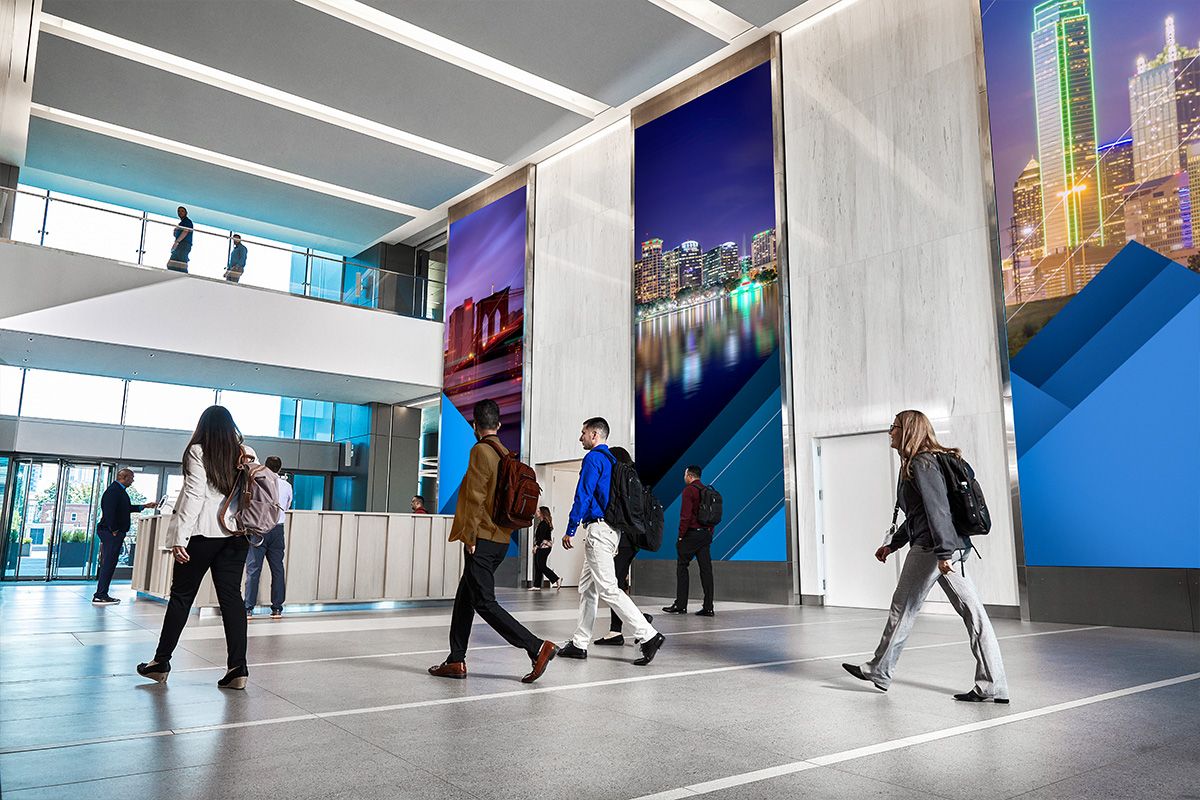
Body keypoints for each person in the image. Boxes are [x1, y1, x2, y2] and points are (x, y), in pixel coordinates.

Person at [842, 409, 1010, 703]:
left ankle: (879, 670)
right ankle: (992, 683)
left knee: (903, 606)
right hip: (946, 546)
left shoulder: (922, 463)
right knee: (973, 614)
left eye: (893, 427)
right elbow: (920, 514)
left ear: (907, 430)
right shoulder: (921, 462)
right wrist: (894, 544)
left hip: (934, 548)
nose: (890, 432)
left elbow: (938, 511)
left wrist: (943, 553)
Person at [427, 399, 558, 683]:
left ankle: (536, 647)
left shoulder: (480, 452)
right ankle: (455, 660)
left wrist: (470, 536)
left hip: (481, 539)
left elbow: (474, 496)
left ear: (475, 426)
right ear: (497, 425)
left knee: (484, 602)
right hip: (500, 539)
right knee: (466, 598)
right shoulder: (504, 454)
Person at [136, 406, 255, 690]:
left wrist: (180, 537)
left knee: (181, 597)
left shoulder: (199, 451)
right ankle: (238, 668)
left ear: (203, 426)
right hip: (236, 534)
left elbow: (194, 494)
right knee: (231, 599)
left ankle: (161, 662)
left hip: (202, 534)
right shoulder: (245, 451)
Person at [558, 417, 665, 666]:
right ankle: (579, 643)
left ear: (595, 435)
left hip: (598, 531)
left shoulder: (594, 458)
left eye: (583, 433)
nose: (580, 437)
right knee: (587, 588)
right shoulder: (614, 461)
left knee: (608, 588)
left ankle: (647, 635)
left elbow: (583, 495)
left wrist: (570, 528)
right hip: (611, 532)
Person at [593, 446, 652, 646]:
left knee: (613, 586)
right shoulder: (633, 477)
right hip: (631, 541)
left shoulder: (621, 478)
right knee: (616, 584)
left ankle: (635, 625)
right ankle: (616, 631)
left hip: (624, 540)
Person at [92, 468, 158, 605]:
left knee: (110, 563)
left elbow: (124, 508)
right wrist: (114, 529)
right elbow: (109, 511)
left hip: (112, 532)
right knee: (108, 564)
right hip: (110, 532)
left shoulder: (119, 491)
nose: (133, 480)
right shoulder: (114, 491)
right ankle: (100, 595)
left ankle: (102, 593)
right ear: (125, 477)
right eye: (131, 478)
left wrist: (143, 506)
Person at [662, 465, 715, 617]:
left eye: (685, 474)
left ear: (689, 476)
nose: (684, 477)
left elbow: (685, 516)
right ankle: (708, 607)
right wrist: (709, 533)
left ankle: (680, 605)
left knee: (682, 567)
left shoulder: (689, 491)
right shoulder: (707, 491)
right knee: (706, 570)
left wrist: (680, 536)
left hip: (690, 535)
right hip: (705, 535)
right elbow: (712, 517)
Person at [245, 456, 291, 620]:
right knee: (278, 569)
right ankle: (277, 609)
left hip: (259, 528)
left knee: (253, 569)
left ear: (265, 467)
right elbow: (287, 506)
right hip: (278, 530)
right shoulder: (287, 485)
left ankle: (248, 609)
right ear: (279, 469)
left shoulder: (259, 482)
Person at [530, 506, 561, 591]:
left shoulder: (544, 523)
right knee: (538, 565)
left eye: (538, 511)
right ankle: (536, 585)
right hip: (542, 546)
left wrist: (536, 546)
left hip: (544, 547)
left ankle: (556, 579)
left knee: (541, 565)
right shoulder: (542, 522)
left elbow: (541, 537)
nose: (536, 512)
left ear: (542, 513)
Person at [167, 206, 194, 272]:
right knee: (174, 262)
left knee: (180, 261)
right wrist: (176, 230)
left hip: (184, 244)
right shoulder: (181, 223)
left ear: (186, 213)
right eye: (178, 211)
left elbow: (186, 231)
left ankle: (184, 274)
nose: (180, 212)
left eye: (182, 211)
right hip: (181, 244)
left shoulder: (187, 221)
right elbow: (176, 234)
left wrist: (177, 242)